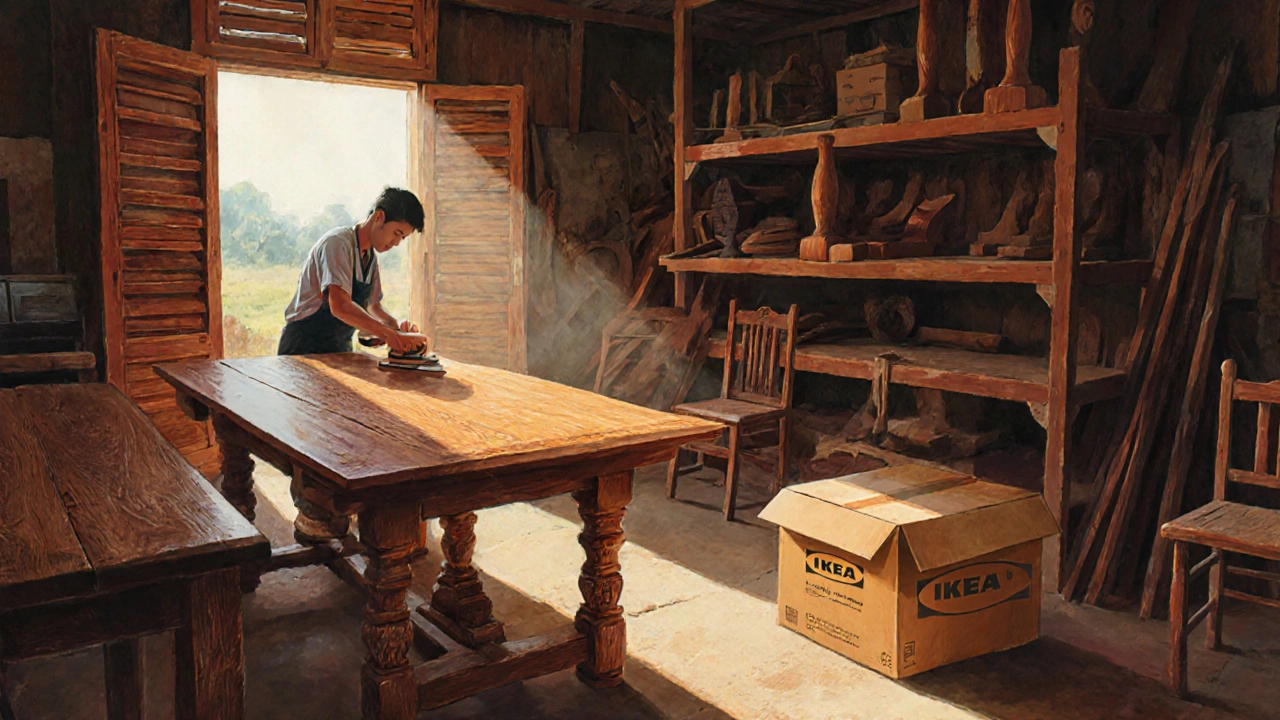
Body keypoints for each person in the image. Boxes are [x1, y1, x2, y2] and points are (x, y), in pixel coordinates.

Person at [278, 186, 428, 542]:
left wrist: (400, 328)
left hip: (338, 351)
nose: (396, 243)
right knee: (313, 438)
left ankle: (343, 511)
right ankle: (311, 517)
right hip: (304, 348)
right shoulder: (337, 244)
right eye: (396, 233)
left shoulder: (369, 257)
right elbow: (341, 307)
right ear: (378, 218)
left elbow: (373, 308)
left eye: (403, 238)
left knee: (346, 434)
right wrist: (390, 338)